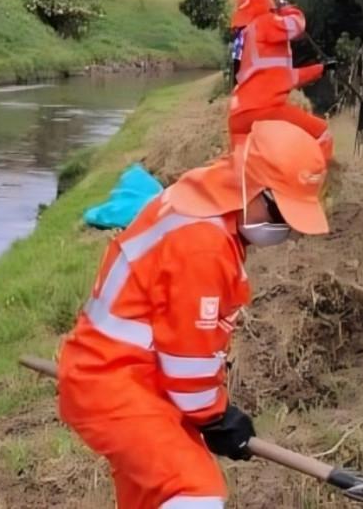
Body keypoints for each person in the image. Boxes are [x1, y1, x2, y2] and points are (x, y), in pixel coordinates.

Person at [57, 120, 331, 509]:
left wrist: (211, 416)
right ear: (252, 186)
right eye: (281, 214)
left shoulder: (207, 195)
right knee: (195, 495)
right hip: (117, 385)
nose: (284, 229)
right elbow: (188, 360)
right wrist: (217, 418)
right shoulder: (203, 244)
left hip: (126, 378)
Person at [227, 0, 336, 161]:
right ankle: (315, 181)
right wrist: (288, 8)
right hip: (265, 109)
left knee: (244, 165)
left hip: (238, 116)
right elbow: (296, 25)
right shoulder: (264, 22)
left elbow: (285, 79)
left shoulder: (245, 38)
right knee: (322, 133)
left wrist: (322, 69)